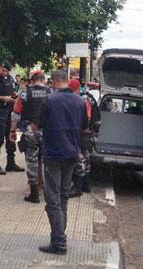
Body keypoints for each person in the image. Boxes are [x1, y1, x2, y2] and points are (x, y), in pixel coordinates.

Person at [36, 70, 88, 255]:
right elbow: (84, 127)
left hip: (53, 155)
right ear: (67, 81)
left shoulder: (49, 100)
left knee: (53, 199)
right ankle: (59, 237)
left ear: (53, 82)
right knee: (63, 196)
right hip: (72, 154)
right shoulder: (80, 101)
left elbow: (38, 125)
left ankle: (59, 242)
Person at [9, 70, 51, 203]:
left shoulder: (24, 93)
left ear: (32, 80)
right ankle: (47, 189)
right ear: (43, 79)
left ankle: (34, 193)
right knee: (48, 160)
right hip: (48, 131)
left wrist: (12, 131)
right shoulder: (51, 93)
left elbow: (16, 114)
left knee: (32, 161)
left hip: (30, 130)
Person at [0, 61, 25, 175]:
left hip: (10, 111)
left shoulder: (10, 78)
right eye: (3, 70)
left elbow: (11, 91)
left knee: (11, 137)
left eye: (7, 71)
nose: (5, 73)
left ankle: (11, 163)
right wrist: (3, 98)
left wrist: (14, 95)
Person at [68, 79, 93, 198]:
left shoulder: (78, 101)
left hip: (80, 133)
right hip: (87, 133)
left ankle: (77, 188)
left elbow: (85, 118)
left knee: (80, 160)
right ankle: (86, 185)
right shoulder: (86, 99)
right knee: (86, 159)